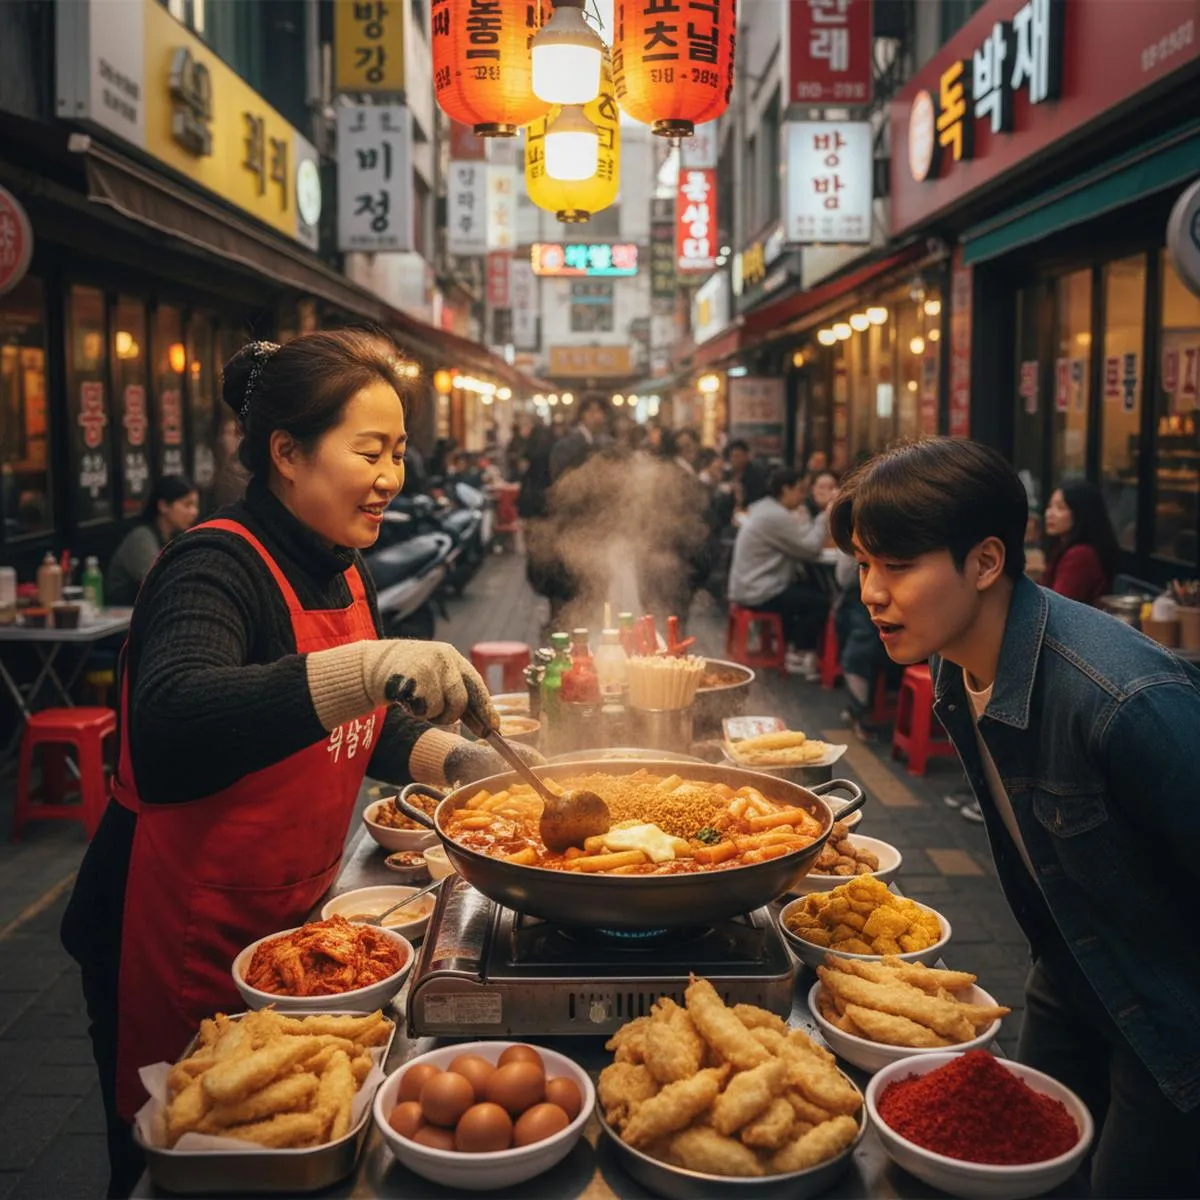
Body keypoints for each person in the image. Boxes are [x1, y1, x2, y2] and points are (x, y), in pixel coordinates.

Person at [61, 331, 540, 1197]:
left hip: (289, 925)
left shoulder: (337, 565)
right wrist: (367, 667)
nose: (393, 475)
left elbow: (355, 722)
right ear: (286, 453)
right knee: (183, 1160)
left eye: (399, 451)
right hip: (176, 936)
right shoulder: (214, 564)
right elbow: (171, 721)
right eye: (369, 451)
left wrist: (459, 760)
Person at [830, 437, 1200, 1197]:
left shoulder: (1120, 698)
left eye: (897, 566)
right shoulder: (954, 655)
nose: (870, 591)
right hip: (1068, 970)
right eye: (865, 563)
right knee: (1022, 1170)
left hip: (1170, 1017)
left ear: (986, 562)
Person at [727, 467, 831, 678]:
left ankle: (789, 644)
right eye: (800, 491)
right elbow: (809, 549)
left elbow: (799, 540)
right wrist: (825, 516)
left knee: (804, 593)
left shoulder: (765, 509)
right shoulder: (775, 517)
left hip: (748, 585)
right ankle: (798, 653)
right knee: (822, 602)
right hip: (759, 591)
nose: (803, 497)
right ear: (786, 489)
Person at [105, 475, 200, 607]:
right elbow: (160, 584)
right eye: (187, 505)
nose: (194, 512)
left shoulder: (175, 536)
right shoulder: (141, 537)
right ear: (163, 506)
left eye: (195, 505)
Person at [1041, 480, 1120, 606]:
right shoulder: (1063, 547)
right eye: (1049, 506)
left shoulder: (1080, 555)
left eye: (1060, 508)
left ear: (1080, 513)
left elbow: (1057, 606)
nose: (1049, 514)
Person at [549, 396, 609, 481]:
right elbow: (559, 479)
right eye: (592, 411)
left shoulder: (607, 443)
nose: (597, 416)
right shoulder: (566, 445)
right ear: (582, 414)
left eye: (600, 412)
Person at [725, 439, 768, 509]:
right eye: (732, 456)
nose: (734, 460)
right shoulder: (727, 474)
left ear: (746, 456)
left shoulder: (756, 476)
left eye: (737, 456)